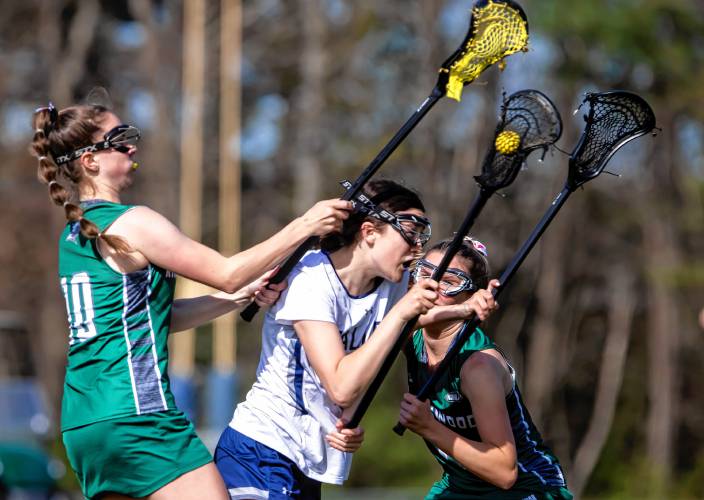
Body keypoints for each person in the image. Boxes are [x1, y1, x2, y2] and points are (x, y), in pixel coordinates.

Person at [30, 101, 352, 500]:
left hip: (83, 424)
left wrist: (236, 299)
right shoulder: (132, 222)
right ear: (90, 161)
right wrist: (305, 225)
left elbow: (150, 321)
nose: (132, 148)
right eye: (120, 140)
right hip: (139, 416)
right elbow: (227, 270)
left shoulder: (75, 235)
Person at [216, 179, 485, 499]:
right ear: (369, 232)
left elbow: (407, 323)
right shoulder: (311, 278)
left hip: (309, 460)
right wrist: (402, 313)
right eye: (410, 235)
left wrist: (464, 308)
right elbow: (342, 386)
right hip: (262, 448)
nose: (417, 249)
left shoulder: (390, 284)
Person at [398, 236, 573, 500]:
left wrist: (429, 426)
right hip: (461, 485)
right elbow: (386, 322)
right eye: (425, 273)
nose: (432, 287)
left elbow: (504, 472)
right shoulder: (412, 338)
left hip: (526, 488)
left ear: (472, 296)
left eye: (450, 282)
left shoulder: (478, 367)